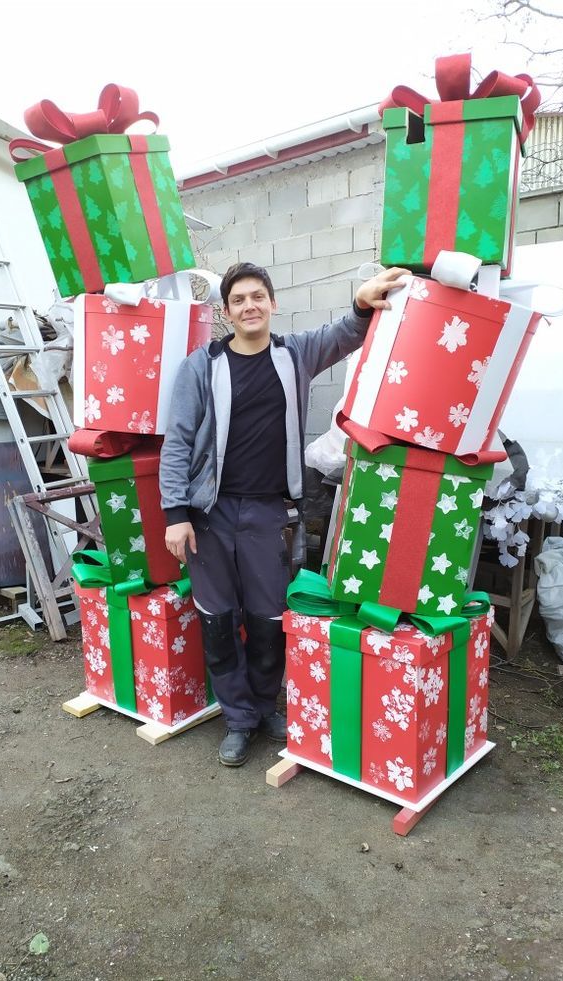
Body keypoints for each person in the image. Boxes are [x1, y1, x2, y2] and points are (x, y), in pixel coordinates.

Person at [160, 261, 408, 766]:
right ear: (226, 312)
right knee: (218, 618)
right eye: (238, 301)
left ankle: (264, 704)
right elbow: (178, 441)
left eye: (257, 297)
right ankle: (238, 718)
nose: (249, 306)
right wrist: (175, 513)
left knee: (269, 618)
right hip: (210, 514)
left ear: (273, 303)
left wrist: (362, 301)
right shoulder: (201, 366)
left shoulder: (294, 354)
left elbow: (345, 334)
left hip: (270, 513)